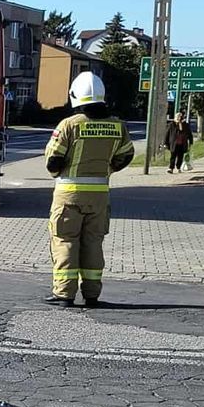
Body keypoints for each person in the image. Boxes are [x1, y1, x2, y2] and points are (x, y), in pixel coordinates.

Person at [43, 72, 135, 308]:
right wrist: (107, 170)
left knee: (65, 241)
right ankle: (92, 293)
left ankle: (64, 294)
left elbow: (53, 160)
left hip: (69, 194)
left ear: (75, 97)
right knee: (93, 243)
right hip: (99, 196)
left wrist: (59, 174)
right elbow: (127, 155)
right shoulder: (117, 125)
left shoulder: (69, 125)